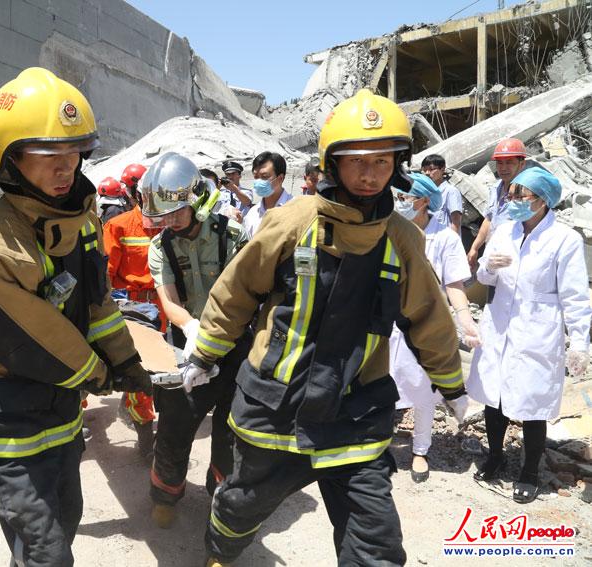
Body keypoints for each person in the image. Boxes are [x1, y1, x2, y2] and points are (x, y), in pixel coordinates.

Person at [187, 89, 464, 567]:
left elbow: (427, 315)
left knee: (375, 541)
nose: (370, 173)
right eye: (357, 161)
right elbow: (236, 292)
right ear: (332, 163)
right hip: (276, 408)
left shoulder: (402, 239)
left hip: (356, 411)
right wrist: (204, 354)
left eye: (382, 161)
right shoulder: (291, 223)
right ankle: (219, 552)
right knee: (242, 505)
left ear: (398, 165)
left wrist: (451, 383)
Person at [0, 67, 152, 567]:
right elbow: (38, 340)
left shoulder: (79, 220)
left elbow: (97, 304)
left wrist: (127, 362)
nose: (65, 169)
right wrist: (102, 375)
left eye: (74, 154)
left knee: (65, 520)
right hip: (4, 419)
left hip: (58, 411)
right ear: (9, 159)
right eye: (48, 156)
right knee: (47, 551)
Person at [467, 167, 591, 504]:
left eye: (521, 195)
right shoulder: (504, 230)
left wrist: (580, 343)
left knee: (533, 404)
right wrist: (489, 266)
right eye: (511, 194)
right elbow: (485, 277)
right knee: (494, 397)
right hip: (500, 325)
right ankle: (496, 456)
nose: (514, 200)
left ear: (543, 200)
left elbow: (575, 296)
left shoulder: (564, 239)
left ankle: (530, 471)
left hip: (537, 329)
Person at [141, 152, 250, 530]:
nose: (169, 221)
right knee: (174, 426)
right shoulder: (161, 247)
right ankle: (166, 493)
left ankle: (220, 499)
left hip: (234, 345)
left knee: (231, 433)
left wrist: (216, 340)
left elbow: (245, 293)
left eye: (176, 212)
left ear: (197, 200)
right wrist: (191, 329)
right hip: (187, 347)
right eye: (163, 215)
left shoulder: (231, 235)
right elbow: (169, 301)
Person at [389, 173, 480, 482]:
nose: (399, 202)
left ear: (424, 201)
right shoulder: (389, 230)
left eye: (405, 197)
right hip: (389, 322)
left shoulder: (445, 238)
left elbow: (454, 284)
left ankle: (420, 450)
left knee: (424, 391)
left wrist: (466, 320)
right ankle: (379, 445)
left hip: (427, 324)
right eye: (398, 196)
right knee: (382, 384)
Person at [103, 187, 164, 458]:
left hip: (164, 308)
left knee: (158, 372)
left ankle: (140, 418)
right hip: (132, 308)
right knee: (139, 370)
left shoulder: (170, 224)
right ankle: (146, 439)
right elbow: (105, 275)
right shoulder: (119, 226)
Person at [466, 139, 528, 271]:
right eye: (500, 163)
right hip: (493, 254)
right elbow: (489, 219)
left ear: (522, 164)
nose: (503, 168)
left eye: (509, 162)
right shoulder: (496, 188)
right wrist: (475, 248)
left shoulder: (527, 193)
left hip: (514, 259)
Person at [242, 152, 292, 239]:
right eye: (256, 177)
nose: (258, 182)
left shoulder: (295, 208)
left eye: (264, 177)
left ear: (280, 178)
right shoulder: (252, 214)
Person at [420, 154, 463, 233]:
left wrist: (452, 240)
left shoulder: (450, 191)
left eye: (431, 169)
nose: (427, 173)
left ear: (442, 169)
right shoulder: (423, 193)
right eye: (424, 170)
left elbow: (456, 222)